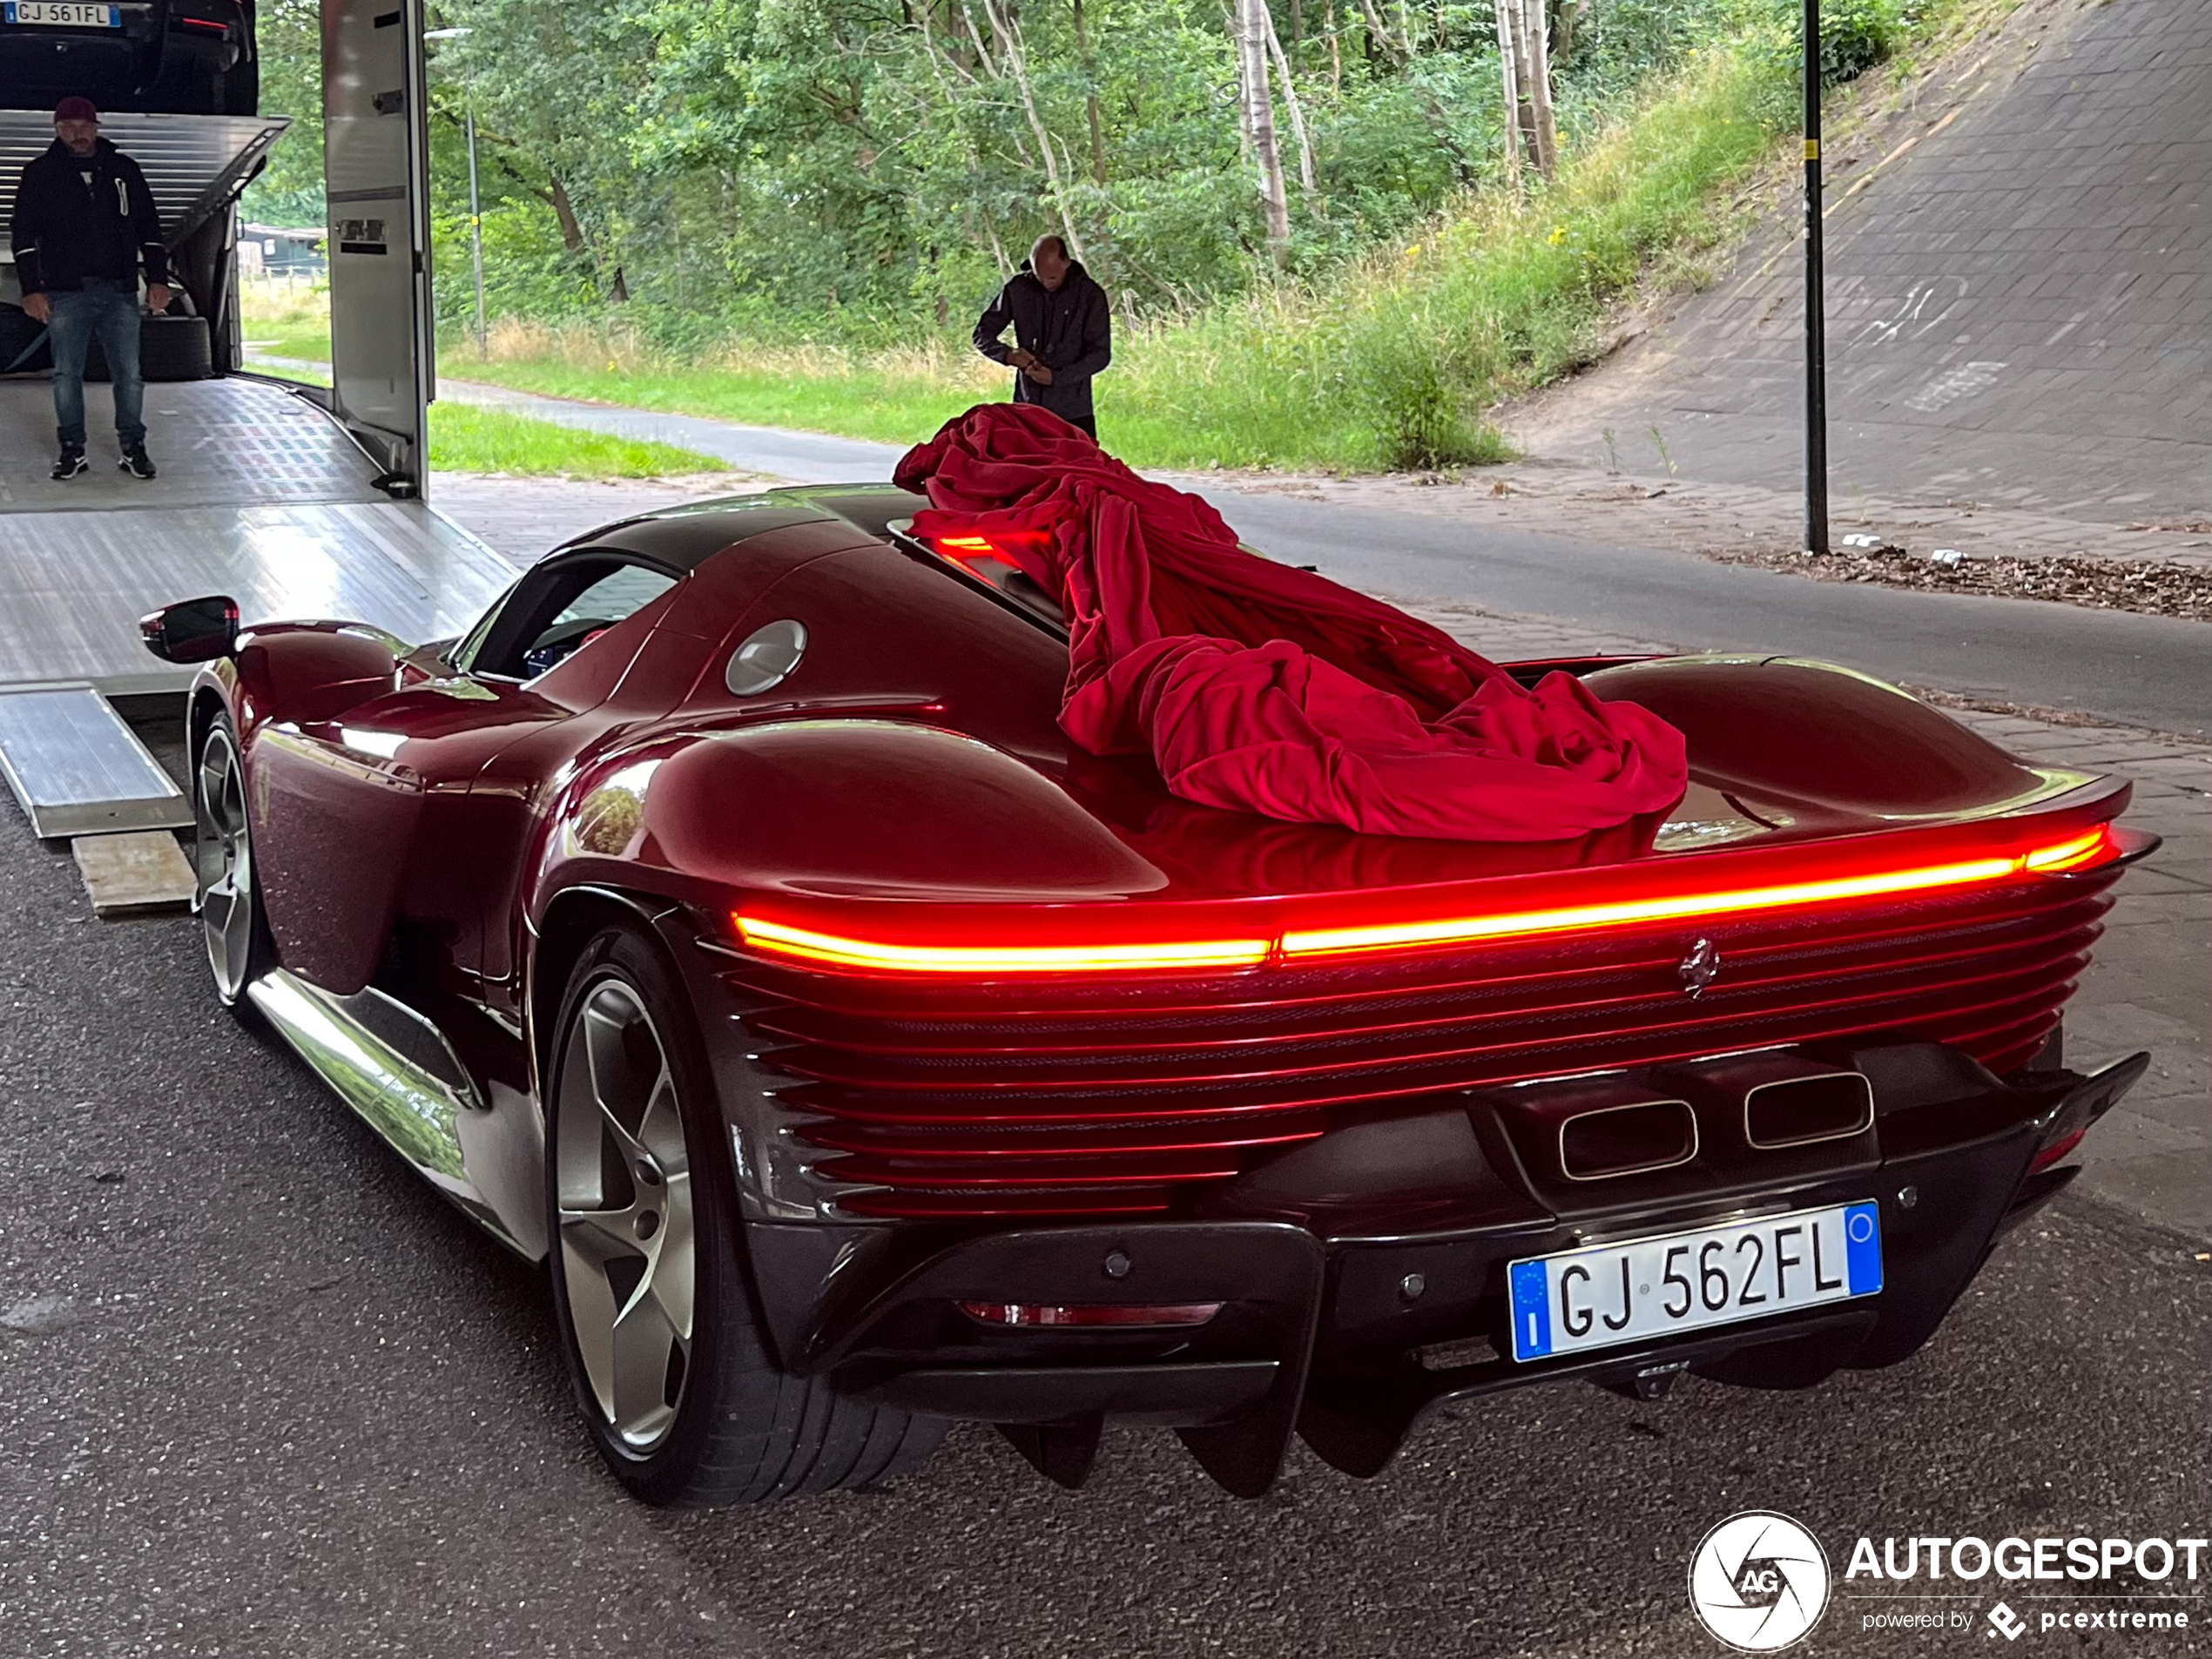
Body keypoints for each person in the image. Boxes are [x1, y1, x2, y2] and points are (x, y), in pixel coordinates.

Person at [10, 96, 169, 481]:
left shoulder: (123, 171)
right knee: (67, 374)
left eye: (82, 126)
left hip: (118, 291)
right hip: (66, 294)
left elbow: (148, 228)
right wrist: (32, 288)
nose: (75, 134)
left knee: (129, 374)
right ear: (57, 130)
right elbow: (23, 237)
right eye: (66, 127)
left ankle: (133, 446)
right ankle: (72, 449)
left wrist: (158, 279)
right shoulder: (40, 174)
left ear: (96, 127)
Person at [972, 234, 1112, 440]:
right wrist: (1008, 355)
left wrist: (1057, 377)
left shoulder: (1090, 295)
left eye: (1052, 278)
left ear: (1066, 263)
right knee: (1026, 470)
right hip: (1027, 407)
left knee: (1079, 470)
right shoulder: (1018, 289)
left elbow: (1101, 355)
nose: (1045, 282)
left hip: (1073, 411)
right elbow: (982, 334)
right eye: (1039, 276)